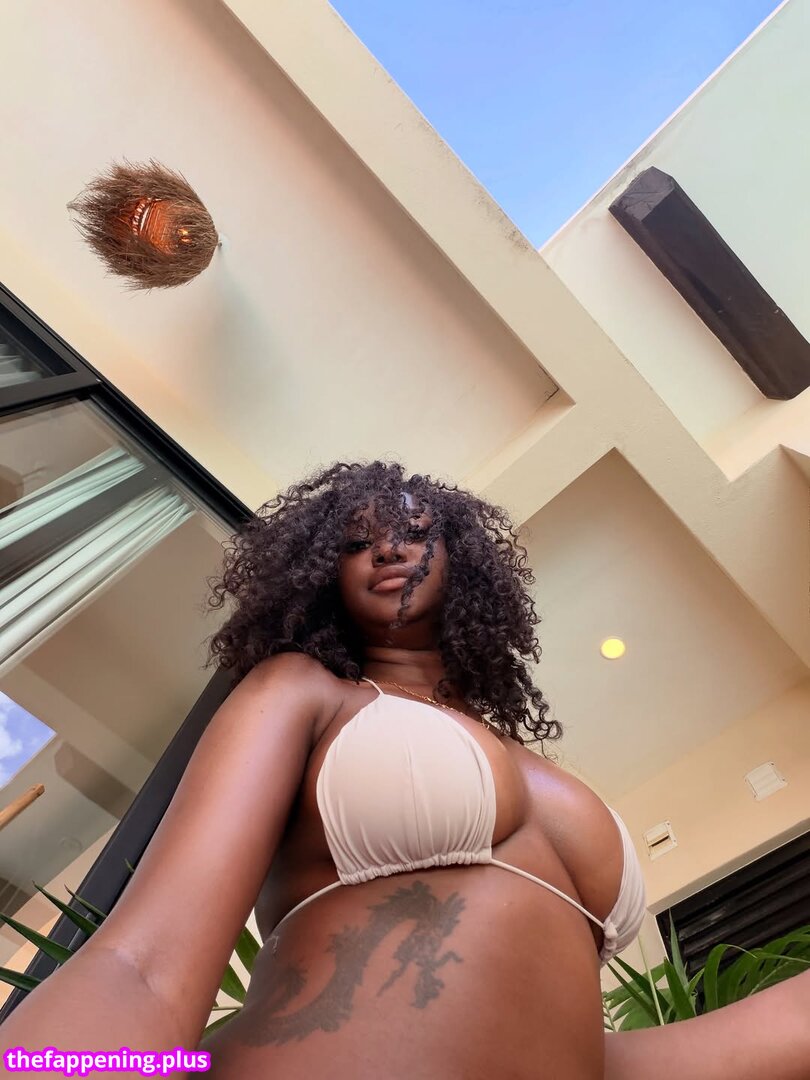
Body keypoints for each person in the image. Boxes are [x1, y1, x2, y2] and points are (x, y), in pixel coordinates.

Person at [2, 460, 808, 1079]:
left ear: (465, 563)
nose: (387, 547)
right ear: (321, 576)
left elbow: (570, 1052)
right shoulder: (306, 693)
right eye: (355, 543)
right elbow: (144, 966)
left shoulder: (535, 769)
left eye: (414, 532)